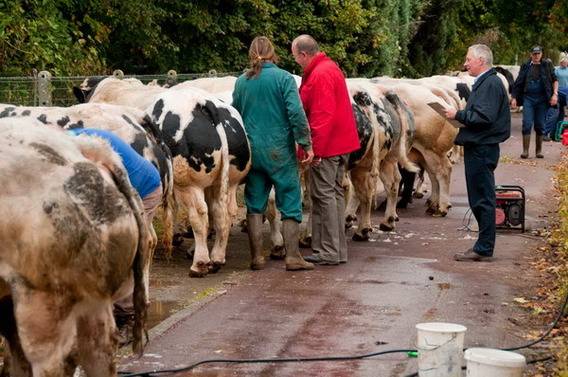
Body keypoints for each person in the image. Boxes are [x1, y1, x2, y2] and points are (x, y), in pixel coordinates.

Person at [68, 127, 162, 344]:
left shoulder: (83, 151)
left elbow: (102, 192)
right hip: (116, 186)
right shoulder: (66, 143)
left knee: (124, 252)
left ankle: (128, 318)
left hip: (144, 190)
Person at [231, 36, 315, 271]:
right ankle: (293, 257)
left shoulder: (241, 81)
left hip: (252, 151)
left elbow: (235, 114)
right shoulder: (284, 78)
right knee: (289, 200)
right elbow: (296, 114)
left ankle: (257, 257)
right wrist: (305, 143)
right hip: (280, 150)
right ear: (272, 53)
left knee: (254, 204)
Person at [291, 34, 360, 265]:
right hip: (341, 144)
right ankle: (333, 249)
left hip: (328, 147)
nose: (296, 62)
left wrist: (314, 150)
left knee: (323, 195)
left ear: (303, 54)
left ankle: (328, 251)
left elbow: (322, 115)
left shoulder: (319, 74)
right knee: (334, 194)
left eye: (295, 57)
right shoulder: (330, 68)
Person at [443, 44, 511, 262]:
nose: (465, 64)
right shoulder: (487, 82)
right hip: (480, 146)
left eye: (468, 59)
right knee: (479, 198)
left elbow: (484, 117)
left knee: (482, 199)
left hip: (482, 148)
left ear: (481, 60)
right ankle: (483, 245)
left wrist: (459, 114)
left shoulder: (490, 83)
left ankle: (484, 248)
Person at [510, 45, 558, 157]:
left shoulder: (547, 65)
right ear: (530, 55)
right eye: (534, 54)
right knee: (527, 123)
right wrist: (514, 97)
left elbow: (555, 80)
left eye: (538, 53)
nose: (536, 56)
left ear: (541, 54)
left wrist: (554, 94)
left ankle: (538, 151)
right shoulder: (526, 65)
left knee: (540, 124)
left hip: (542, 99)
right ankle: (525, 151)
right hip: (528, 98)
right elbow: (518, 82)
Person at [544, 55, 568, 140]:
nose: (565, 63)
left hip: (565, 93)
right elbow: (553, 81)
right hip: (557, 93)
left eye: (566, 62)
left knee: (560, 115)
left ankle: (555, 134)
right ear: (561, 62)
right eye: (563, 62)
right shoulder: (556, 70)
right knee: (554, 114)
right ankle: (545, 133)